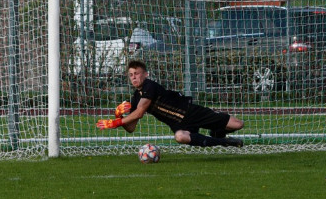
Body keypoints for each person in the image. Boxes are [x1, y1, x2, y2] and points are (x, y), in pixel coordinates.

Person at [96, 59, 244, 148]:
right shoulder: (135, 98)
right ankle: (223, 142)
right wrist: (119, 115)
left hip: (191, 112)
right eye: (131, 75)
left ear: (145, 74)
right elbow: (131, 128)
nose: (134, 77)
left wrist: (115, 123)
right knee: (180, 137)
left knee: (238, 124)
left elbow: (140, 112)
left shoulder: (149, 85)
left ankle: (217, 133)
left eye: (137, 73)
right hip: (179, 125)